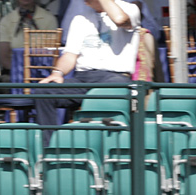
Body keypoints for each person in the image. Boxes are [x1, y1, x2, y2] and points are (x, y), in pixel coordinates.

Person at [36, 0, 140, 145]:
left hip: (115, 77)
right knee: (43, 91)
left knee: (106, 92)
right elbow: (70, 55)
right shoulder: (80, 19)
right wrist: (57, 73)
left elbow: (120, 20)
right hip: (84, 78)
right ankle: (51, 149)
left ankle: (106, 148)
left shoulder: (129, 9)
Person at [0, 0, 59, 73]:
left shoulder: (49, 19)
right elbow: (4, 56)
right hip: (15, 71)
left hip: (43, 71)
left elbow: (51, 53)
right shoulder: (6, 21)